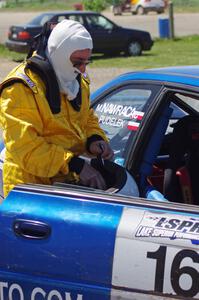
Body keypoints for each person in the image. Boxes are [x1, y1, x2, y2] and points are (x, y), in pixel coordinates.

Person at [0, 19, 113, 197]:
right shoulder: (20, 87)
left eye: (86, 62)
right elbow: (26, 147)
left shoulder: (75, 78)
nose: (82, 69)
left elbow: (86, 116)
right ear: (59, 54)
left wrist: (95, 138)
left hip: (65, 184)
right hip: (28, 191)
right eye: (77, 62)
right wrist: (74, 164)